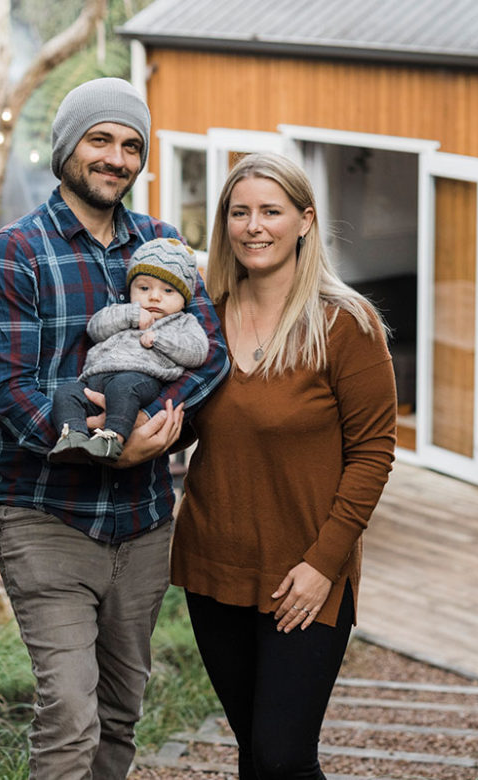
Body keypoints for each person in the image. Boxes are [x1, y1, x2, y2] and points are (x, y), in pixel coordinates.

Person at [0, 77, 229, 780]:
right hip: (48, 518)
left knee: (119, 718)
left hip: (142, 524)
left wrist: (160, 421)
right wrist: (111, 446)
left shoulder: (165, 246)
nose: (116, 157)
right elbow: (8, 393)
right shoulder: (13, 255)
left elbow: (212, 354)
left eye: (131, 145)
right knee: (70, 718)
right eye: (100, 139)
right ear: (67, 148)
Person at [170, 152, 397, 779]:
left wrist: (324, 565)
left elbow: (374, 452)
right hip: (214, 562)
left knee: (283, 755)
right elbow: (181, 421)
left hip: (304, 577)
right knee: (254, 753)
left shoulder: (346, 324)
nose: (253, 226)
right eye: (239, 212)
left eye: (271, 211)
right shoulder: (202, 318)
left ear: (305, 220)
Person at [49, 237, 209, 465]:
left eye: (168, 290)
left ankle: (112, 438)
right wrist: (130, 316)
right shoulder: (121, 312)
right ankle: (73, 437)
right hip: (94, 380)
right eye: (144, 288)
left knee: (122, 387)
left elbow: (198, 351)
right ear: (131, 289)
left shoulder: (184, 323)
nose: (154, 296)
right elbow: (95, 328)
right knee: (67, 393)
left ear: (184, 299)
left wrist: (159, 340)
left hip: (140, 379)